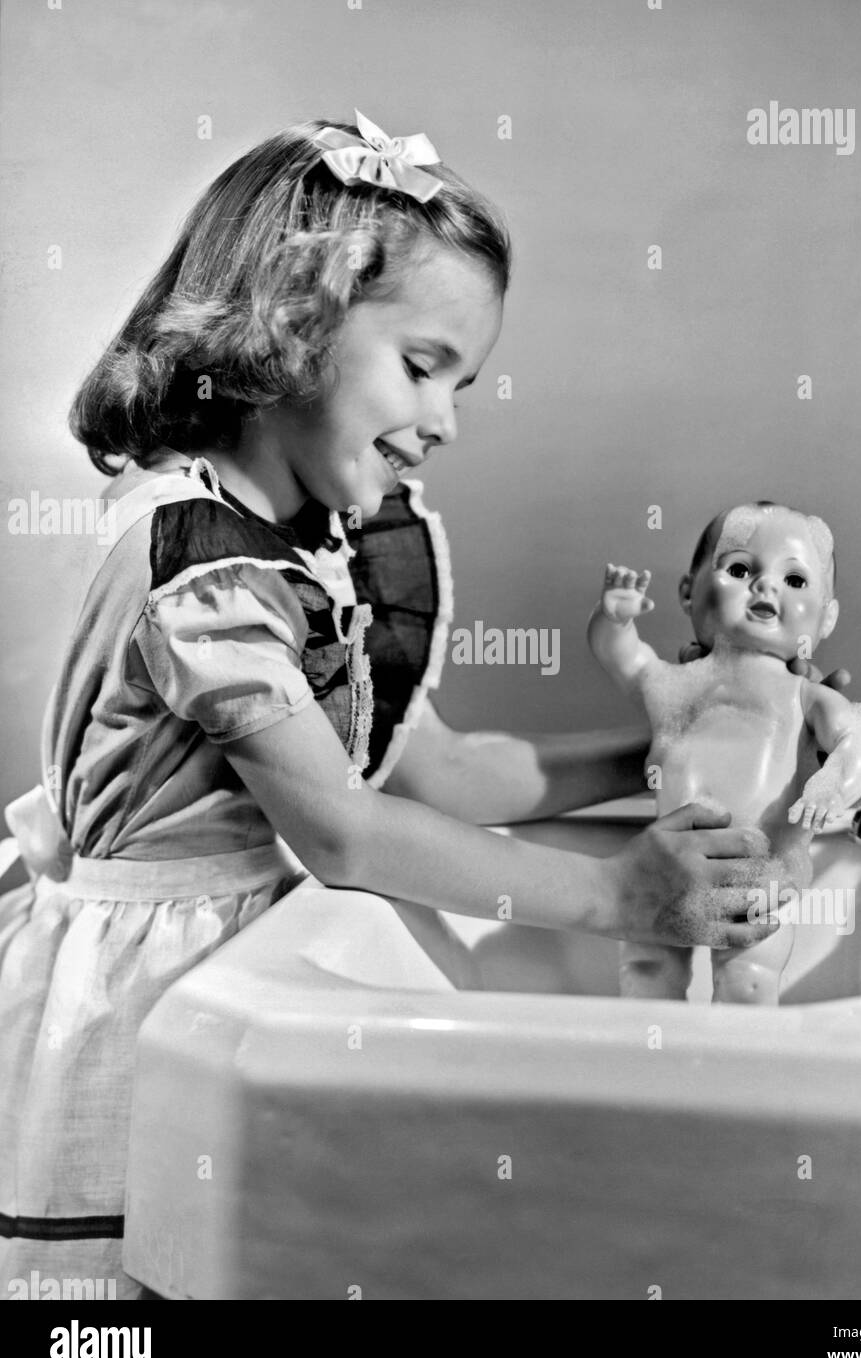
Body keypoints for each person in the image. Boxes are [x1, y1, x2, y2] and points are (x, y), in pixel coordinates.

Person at [0, 111, 805, 1298]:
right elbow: (342, 830)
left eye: (462, 381)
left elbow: (434, 771)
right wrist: (616, 892)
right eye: (422, 365)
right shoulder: (200, 561)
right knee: (129, 1297)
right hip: (148, 986)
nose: (445, 419)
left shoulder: (314, 543)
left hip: (250, 952)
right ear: (288, 324)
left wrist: (663, 746)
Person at [588, 501, 861, 1004]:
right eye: (741, 569)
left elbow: (855, 744)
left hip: (755, 872)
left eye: (795, 580)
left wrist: (830, 782)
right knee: (645, 968)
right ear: (688, 592)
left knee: (747, 978)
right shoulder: (674, 684)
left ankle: (729, 1072)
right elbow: (625, 658)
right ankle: (652, 1069)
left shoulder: (806, 698)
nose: (765, 586)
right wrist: (612, 620)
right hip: (666, 865)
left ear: (827, 617)